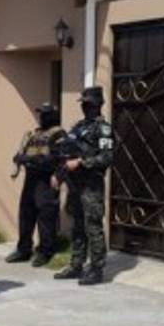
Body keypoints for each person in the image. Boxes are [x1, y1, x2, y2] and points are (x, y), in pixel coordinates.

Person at [54, 86, 114, 286]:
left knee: (93, 226)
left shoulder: (103, 129)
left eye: (89, 104)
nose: (85, 108)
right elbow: (66, 150)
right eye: (84, 104)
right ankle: (76, 264)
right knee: (77, 226)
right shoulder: (79, 126)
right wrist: (59, 174)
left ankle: (97, 269)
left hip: (91, 185)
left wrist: (81, 162)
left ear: (98, 105)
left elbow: (106, 157)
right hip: (75, 184)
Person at [5, 102, 65, 268]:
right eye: (40, 114)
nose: (41, 117)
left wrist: (30, 160)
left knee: (46, 217)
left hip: (46, 181)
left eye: (45, 114)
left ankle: (45, 251)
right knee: (26, 215)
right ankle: (23, 249)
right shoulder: (33, 134)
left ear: (52, 116)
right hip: (30, 180)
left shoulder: (58, 134)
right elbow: (22, 153)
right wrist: (18, 158)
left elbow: (56, 160)